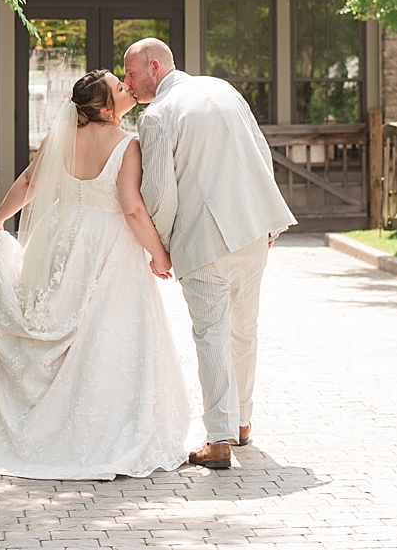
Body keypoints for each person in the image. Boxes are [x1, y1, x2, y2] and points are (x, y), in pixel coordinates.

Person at [0, 70, 192, 479]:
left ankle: (41, 425)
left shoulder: (60, 138)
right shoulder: (127, 144)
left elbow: (29, 181)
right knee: (107, 338)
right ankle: (98, 429)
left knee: (56, 320)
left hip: (60, 241)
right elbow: (131, 207)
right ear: (104, 106)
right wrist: (160, 255)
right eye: (119, 87)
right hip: (110, 249)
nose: (127, 88)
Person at [123, 38, 297, 471]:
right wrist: (269, 219)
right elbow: (261, 152)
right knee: (244, 330)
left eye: (130, 74)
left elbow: (158, 191)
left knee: (211, 336)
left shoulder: (157, 116)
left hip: (202, 243)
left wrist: (159, 248)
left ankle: (218, 438)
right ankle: (241, 423)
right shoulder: (222, 89)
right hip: (254, 233)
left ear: (155, 67)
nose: (126, 82)